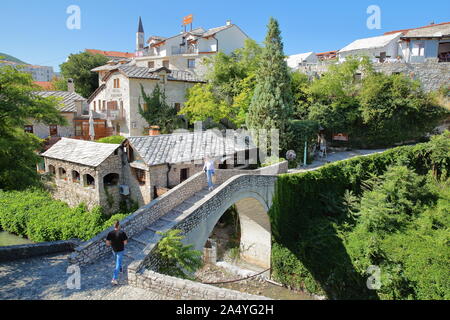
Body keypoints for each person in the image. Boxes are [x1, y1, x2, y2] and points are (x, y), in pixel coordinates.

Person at [106, 221, 128, 285]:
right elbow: (125, 242)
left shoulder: (110, 233)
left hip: (114, 250)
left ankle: (121, 269)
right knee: (117, 264)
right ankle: (114, 279)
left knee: (117, 260)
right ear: (118, 226)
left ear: (114, 226)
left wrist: (112, 244)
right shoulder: (122, 233)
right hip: (120, 250)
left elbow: (107, 243)